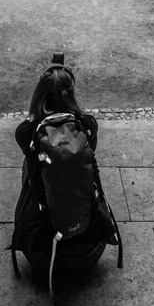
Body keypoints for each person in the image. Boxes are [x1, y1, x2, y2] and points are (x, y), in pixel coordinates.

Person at [12, 64, 107, 284]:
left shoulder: (26, 132)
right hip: (91, 250)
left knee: (31, 163)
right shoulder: (87, 124)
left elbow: (30, 149)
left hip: (41, 256)